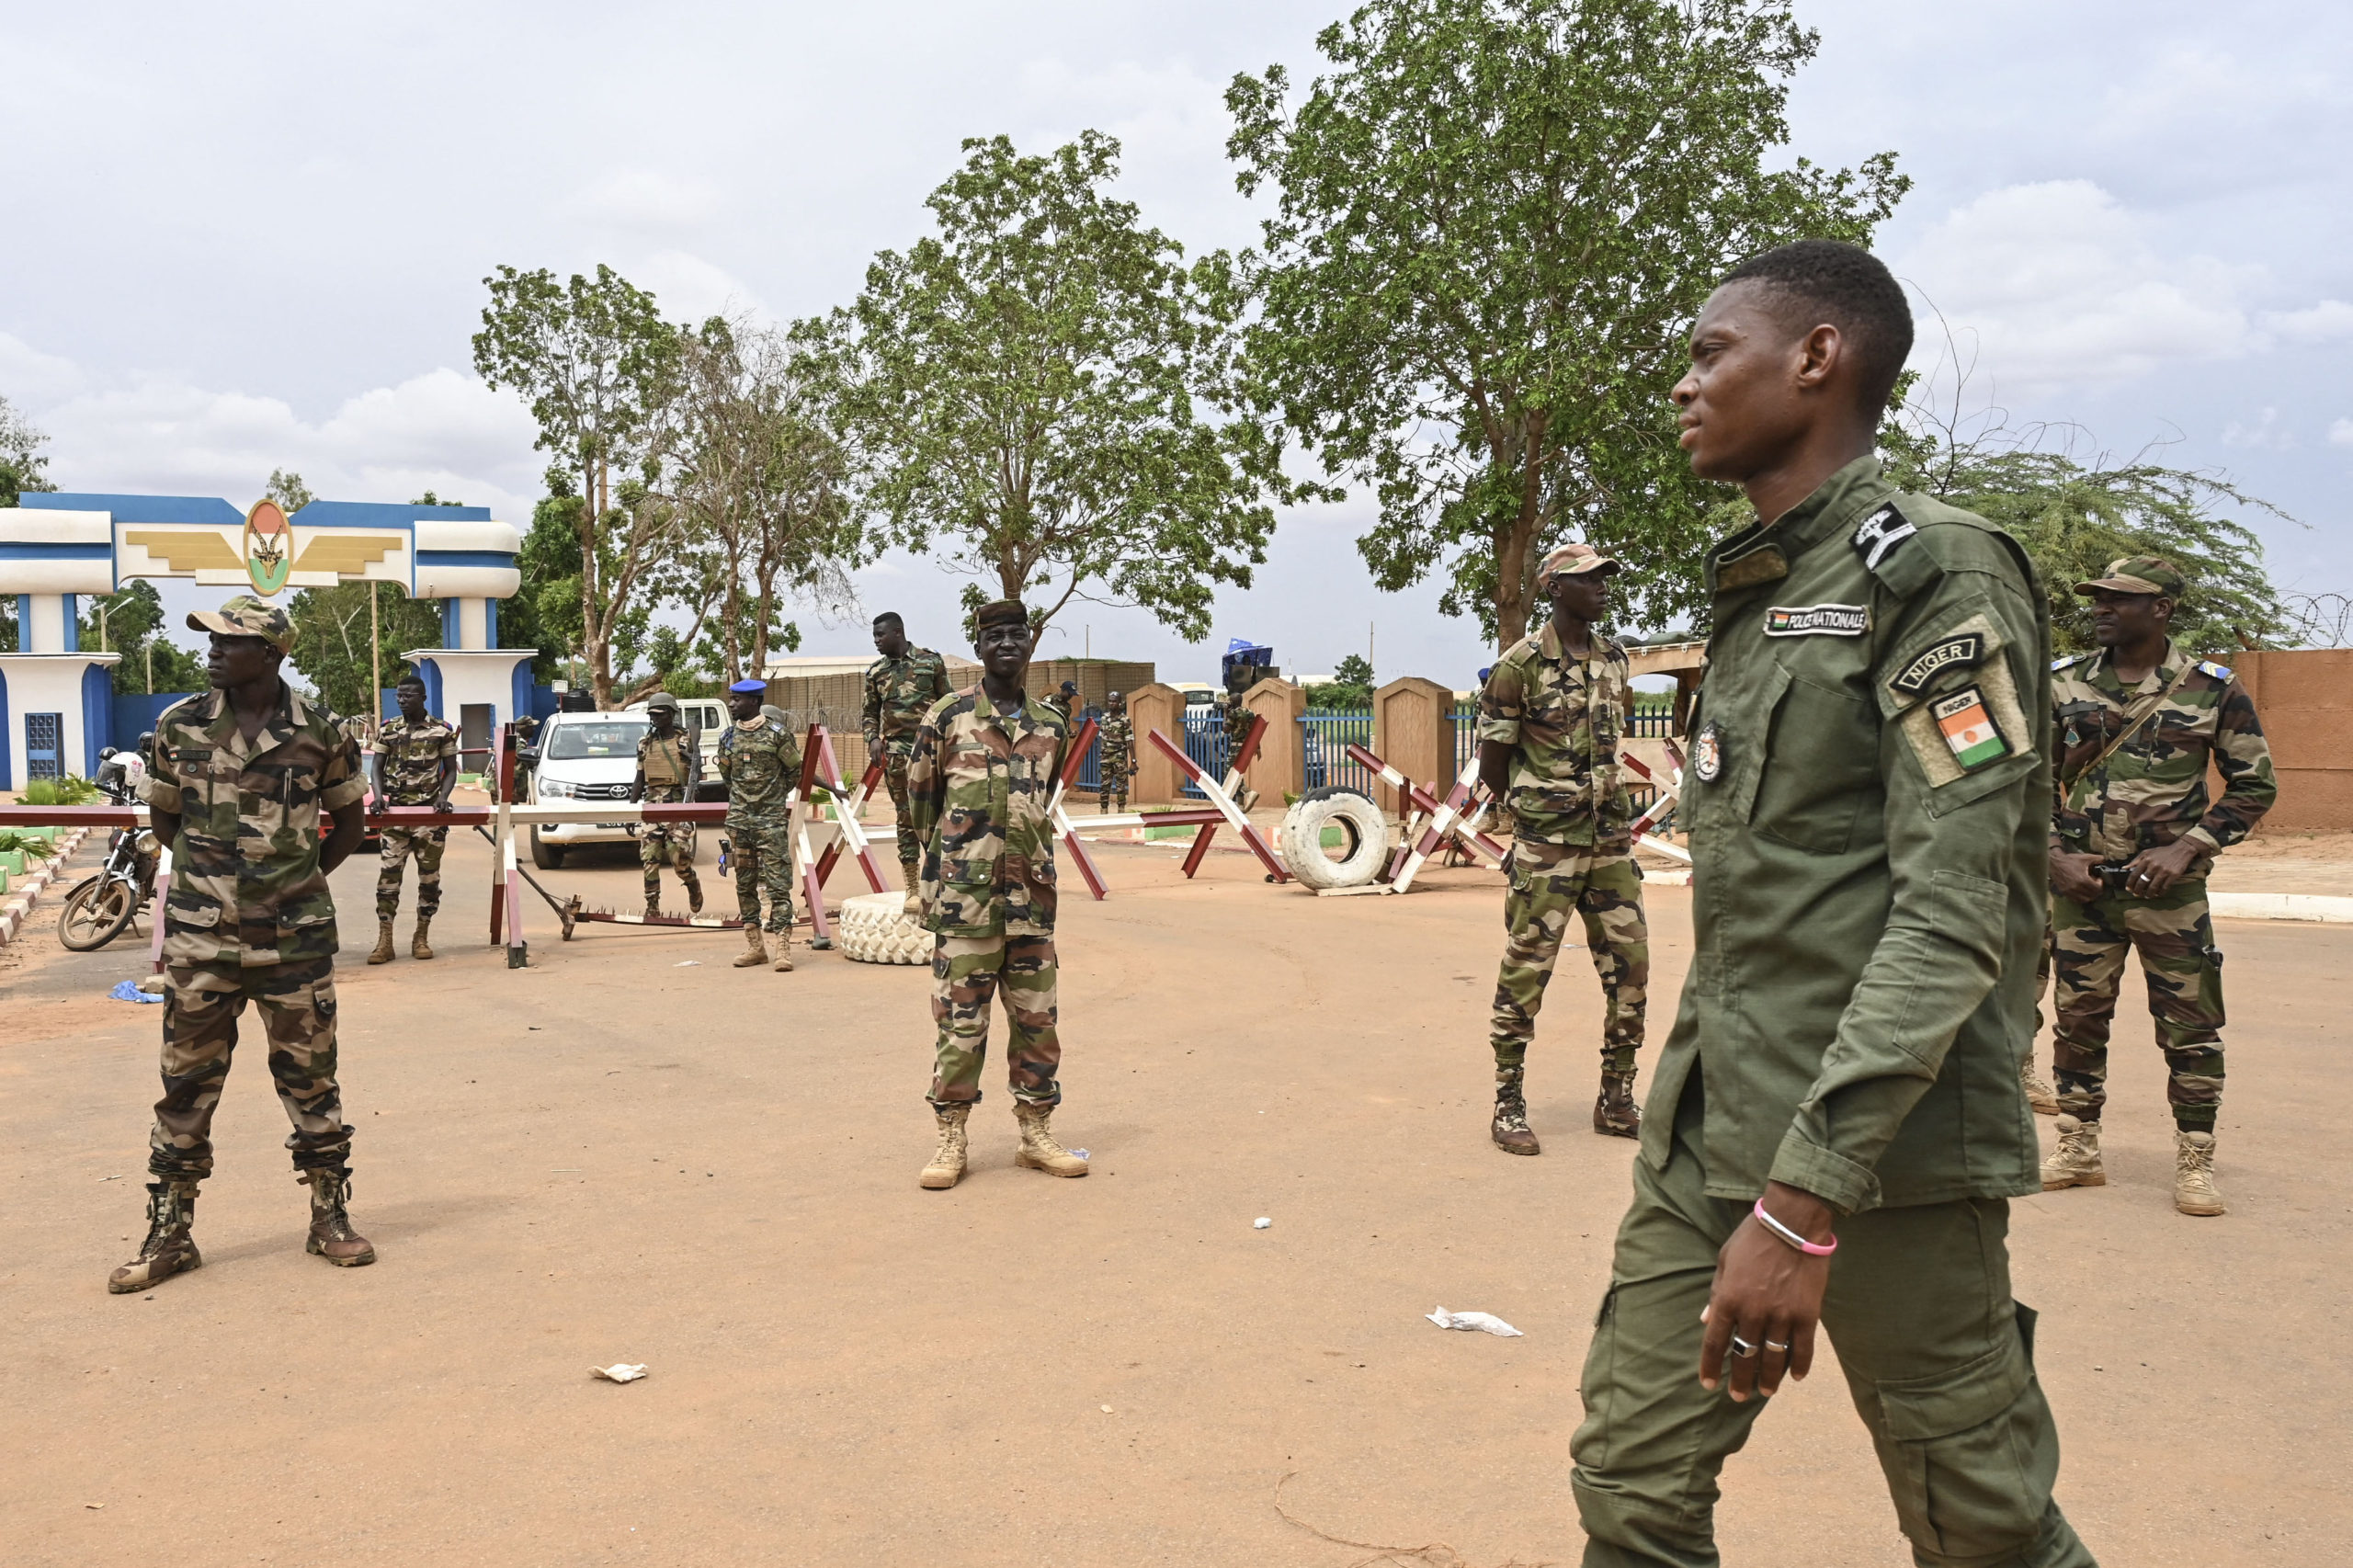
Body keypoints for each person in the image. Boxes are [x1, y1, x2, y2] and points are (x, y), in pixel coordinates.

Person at [1570, 242, 2095, 1567]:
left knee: (1982, 1524)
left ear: (1818, 357)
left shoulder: (1933, 577)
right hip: (1714, 1131)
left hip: (1886, 1157)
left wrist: (1804, 1203)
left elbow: (1953, 915)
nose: (1681, 387)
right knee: (1632, 1490)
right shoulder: (1765, 586)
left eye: (1708, 354)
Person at [109, 596, 375, 1294]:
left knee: (313, 1081)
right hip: (202, 942)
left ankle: (329, 1218)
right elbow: (167, 824)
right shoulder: (179, 726)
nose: (213, 650)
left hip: (295, 942)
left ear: (272, 652)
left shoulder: (320, 730)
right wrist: (216, 886)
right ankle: (170, 1234)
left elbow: (349, 824)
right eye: (212, 640)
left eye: (230, 641)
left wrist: (294, 884)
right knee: (185, 1088)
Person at [2036, 556, 2275, 1216]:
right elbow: (2028, 783)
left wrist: (2189, 845)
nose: (2101, 607)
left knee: (2191, 1028)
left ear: (2162, 609)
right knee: (2078, 1022)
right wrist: (2054, 854)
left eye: (2119, 599)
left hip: (2168, 893)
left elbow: (2255, 785)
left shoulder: (2210, 689)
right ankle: (2078, 1147)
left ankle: (2196, 1159)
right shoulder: (2062, 685)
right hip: (2083, 889)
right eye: (2099, 598)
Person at [904, 598, 1087, 1190]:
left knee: (1038, 1023)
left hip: (1031, 900)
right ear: (980, 647)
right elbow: (922, 804)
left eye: (1017, 636)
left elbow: (1043, 799)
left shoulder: (1052, 725)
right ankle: (951, 1138)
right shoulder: (947, 718)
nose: (1007, 645)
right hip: (966, 904)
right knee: (960, 1025)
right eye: (995, 637)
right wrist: (956, 860)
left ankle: (1036, 1132)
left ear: (1030, 645)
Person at [1476, 540, 1649, 1151]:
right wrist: (1536, 808)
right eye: (1589, 578)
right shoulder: (1518, 665)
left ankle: (1616, 1097)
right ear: (1555, 588)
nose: (1603, 586)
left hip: (1610, 844)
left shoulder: (1615, 659)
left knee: (1631, 974)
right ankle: (1508, 1102)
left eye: (1606, 576)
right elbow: (1493, 761)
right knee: (1526, 971)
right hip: (1547, 847)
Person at [862, 611, 953, 915]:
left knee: (939, 817)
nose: (876, 641)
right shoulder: (875, 672)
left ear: (898, 632)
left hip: (932, 754)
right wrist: (872, 739)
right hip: (898, 759)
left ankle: (939, 883)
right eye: (874, 636)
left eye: (880, 635)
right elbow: (869, 713)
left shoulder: (930, 662)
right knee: (906, 820)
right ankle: (913, 889)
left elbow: (948, 705)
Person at [366, 671, 458, 964]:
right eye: (399, 696)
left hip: (429, 816)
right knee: (388, 879)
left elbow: (451, 769)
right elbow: (377, 767)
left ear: (423, 698)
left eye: (408, 696)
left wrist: (443, 798)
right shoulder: (388, 729)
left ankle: (421, 937)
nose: (403, 700)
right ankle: (385, 940)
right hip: (395, 816)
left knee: (429, 880)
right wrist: (378, 797)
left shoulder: (442, 730)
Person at [717, 677, 802, 972]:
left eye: (736, 700)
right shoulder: (728, 737)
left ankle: (782, 946)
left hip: (771, 820)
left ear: (753, 701)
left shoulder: (778, 734)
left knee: (779, 885)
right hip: (739, 821)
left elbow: (794, 772)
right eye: (731, 699)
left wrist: (771, 797)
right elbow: (728, 778)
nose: (731, 704)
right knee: (745, 884)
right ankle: (755, 947)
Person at [632, 693, 704, 916]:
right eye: (652, 715)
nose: (655, 719)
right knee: (649, 859)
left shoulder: (686, 740)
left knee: (679, 859)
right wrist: (631, 810)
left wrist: (691, 757)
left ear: (671, 714)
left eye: (660, 715)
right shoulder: (645, 743)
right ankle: (652, 907)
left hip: (678, 805)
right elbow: (638, 778)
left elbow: (697, 775)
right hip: (653, 806)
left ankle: (692, 884)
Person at [1097, 690, 1136, 812]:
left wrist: (1133, 761)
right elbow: (1101, 737)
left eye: (1114, 701)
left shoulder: (1124, 720)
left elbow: (1129, 741)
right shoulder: (1104, 718)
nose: (1112, 703)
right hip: (1105, 757)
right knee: (1104, 785)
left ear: (1120, 703)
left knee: (1120, 785)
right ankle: (1103, 810)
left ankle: (1121, 809)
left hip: (1119, 756)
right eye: (1110, 701)